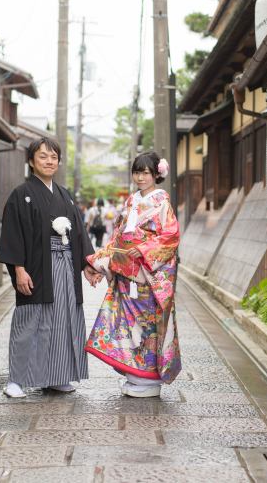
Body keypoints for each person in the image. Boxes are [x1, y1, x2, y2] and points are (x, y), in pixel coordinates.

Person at [0, 137, 102, 398]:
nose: (49, 161)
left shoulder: (65, 195)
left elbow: (78, 233)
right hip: (36, 268)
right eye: (43, 156)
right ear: (31, 161)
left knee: (63, 320)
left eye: (53, 156)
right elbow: (13, 234)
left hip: (65, 268)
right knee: (30, 322)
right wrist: (19, 269)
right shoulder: (21, 195)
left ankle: (57, 376)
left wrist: (87, 265)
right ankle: (17, 380)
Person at [85, 151, 181, 397]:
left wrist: (145, 249)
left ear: (157, 174)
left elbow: (170, 236)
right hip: (127, 274)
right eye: (137, 172)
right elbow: (118, 238)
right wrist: (99, 264)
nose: (140, 177)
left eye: (146, 173)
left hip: (148, 276)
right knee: (127, 324)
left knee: (147, 325)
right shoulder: (130, 202)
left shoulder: (162, 203)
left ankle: (148, 377)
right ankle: (132, 373)